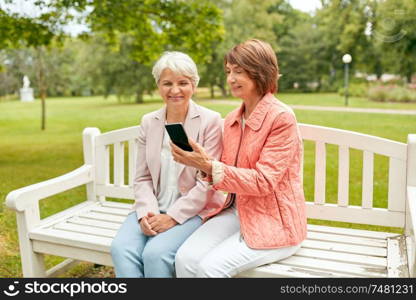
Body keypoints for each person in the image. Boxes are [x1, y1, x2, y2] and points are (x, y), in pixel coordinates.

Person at [171, 39, 307, 277]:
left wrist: (209, 166)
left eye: (239, 71)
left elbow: (264, 181)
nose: (231, 78)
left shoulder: (281, 118)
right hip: (238, 210)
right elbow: (222, 169)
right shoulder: (233, 119)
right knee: (184, 259)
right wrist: (200, 163)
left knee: (209, 269)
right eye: (228, 71)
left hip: (276, 222)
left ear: (260, 73)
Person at [110, 51, 225, 278]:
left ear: (194, 84)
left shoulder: (210, 121)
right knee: (121, 249)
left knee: (155, 253)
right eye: (167, 83)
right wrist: (146, 215)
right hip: (152, 207)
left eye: (183, 83)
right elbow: (142, 177)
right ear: (158, 86)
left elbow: (207, 182)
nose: (175, 90)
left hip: (193, 211)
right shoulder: (149, 122)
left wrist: (172, 217)